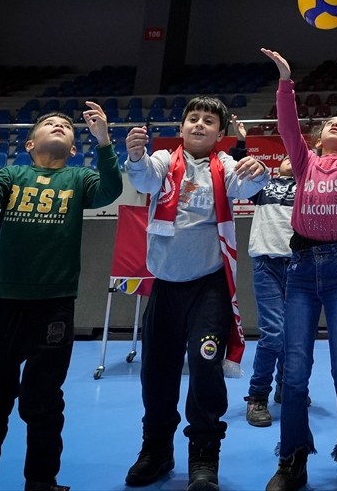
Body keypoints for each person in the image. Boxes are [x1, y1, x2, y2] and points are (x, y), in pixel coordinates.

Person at [0, 105, 123, 491]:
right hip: (5, 303)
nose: (59, 126)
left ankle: (41, 482)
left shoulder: (80, 178)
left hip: (55, 305)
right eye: (51, 123)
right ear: (30, 144)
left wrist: (103, 141)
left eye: (66, 126)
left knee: (44, 402)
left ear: (74, 147)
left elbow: (110, 190)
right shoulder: (11, 175)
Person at [121, 97, 270, 491]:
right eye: (193, 118)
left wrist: (258, 169)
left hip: (209, 286)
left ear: (220, 133)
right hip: (166, 287)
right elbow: (142, 179)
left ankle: (204, 453)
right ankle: (156, 449)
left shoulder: (226, 167)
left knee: (205, 370)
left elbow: (249, 183)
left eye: (209, 121)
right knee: (156, 373)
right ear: (182, 127)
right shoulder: (162, 162)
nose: (200, 124)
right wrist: (135, 155)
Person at [261, 47, 337, 491]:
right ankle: (292, 457)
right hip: (301, 270)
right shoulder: (305, 161)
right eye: (331, 121)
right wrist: (286, 79)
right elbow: (288, 127)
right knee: (294, 371)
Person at [244, 154, 298, 427]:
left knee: (293, 334)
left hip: (299, 265)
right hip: (267, 264)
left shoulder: (310, 186)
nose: (290, 159)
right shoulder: (265, 187)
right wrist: (241, 145)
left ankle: (286, 386)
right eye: (285, 157)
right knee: (273, 333)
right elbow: (241, 172)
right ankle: (257, 395)